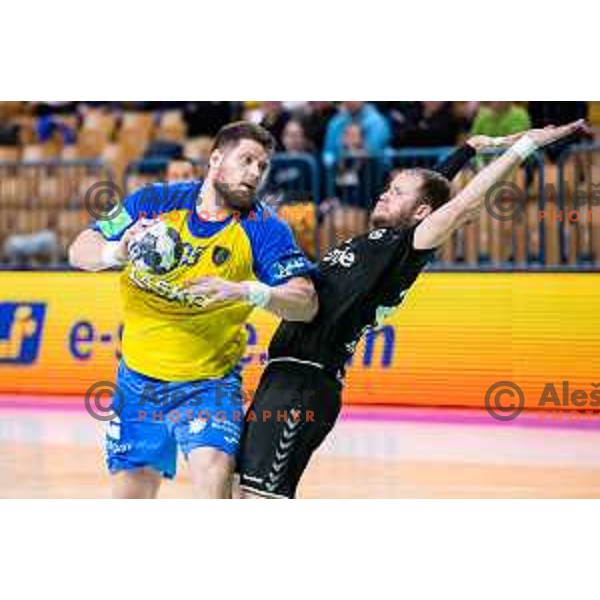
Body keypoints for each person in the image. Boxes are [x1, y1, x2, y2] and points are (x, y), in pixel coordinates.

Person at [237, 120, 585, 499]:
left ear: (421, 212)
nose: (384, 195)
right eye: (387, 188)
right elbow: (433, 186)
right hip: (279, 377)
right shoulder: (379, 238)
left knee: (261, 499)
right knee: (240, 489)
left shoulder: (405, 250)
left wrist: (521, 149)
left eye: (396, 192)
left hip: (305, 386)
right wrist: (468, 149)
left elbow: (461, 205)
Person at [69, 121, 318, 499]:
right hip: (137, 381)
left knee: (214, 474)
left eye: (262, 167)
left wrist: (246, 291)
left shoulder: (265, 228)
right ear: (216, 159)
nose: (254, 173)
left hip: (208, 385)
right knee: (130, 497)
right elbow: (79, 249)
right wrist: (114, 253)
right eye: (246, 160)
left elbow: (306, 302)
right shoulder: (152, 201)